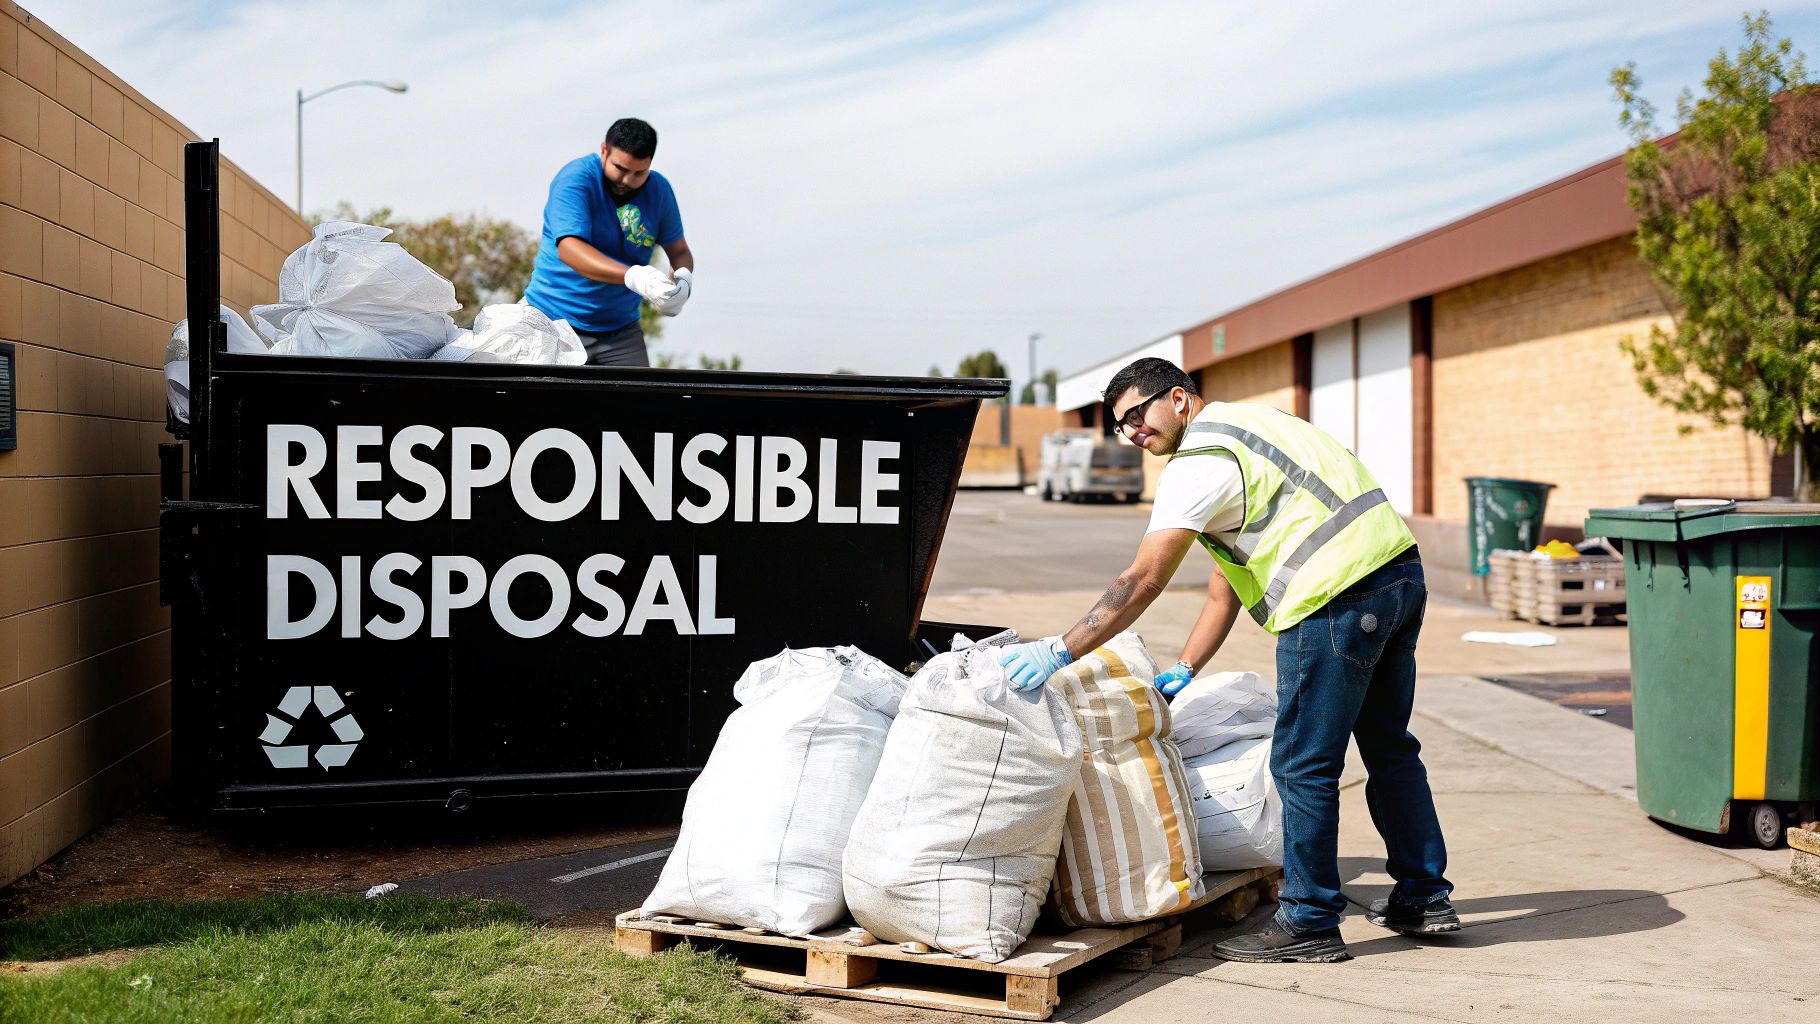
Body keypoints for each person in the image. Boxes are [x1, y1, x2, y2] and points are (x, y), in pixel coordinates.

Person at [998, 357, 1455, 963]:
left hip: (1334, 602)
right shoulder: (1256, 426)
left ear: (1180, 397)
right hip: (1398, 581)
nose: (1132, 432)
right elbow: (1225, 581)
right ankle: (1424, 897)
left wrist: (1060, 648)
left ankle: (1310, 921)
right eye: (1119, 425)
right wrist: (1186, 665)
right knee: (1389, 746)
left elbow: (1141, 581)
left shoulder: (1198, 466)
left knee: (1302, 764)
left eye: (1138, 414)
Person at [523, 118, 694, 366]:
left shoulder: (659, 191)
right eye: (620, 168)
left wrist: (682, 281)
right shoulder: (575, 179)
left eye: (639, 173)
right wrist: (635, 277)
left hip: (620, 332)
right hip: (552, 322)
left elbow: (679, 250)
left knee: (644, 403)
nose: (627, 180)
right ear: (604, 150)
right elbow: (570, 249)